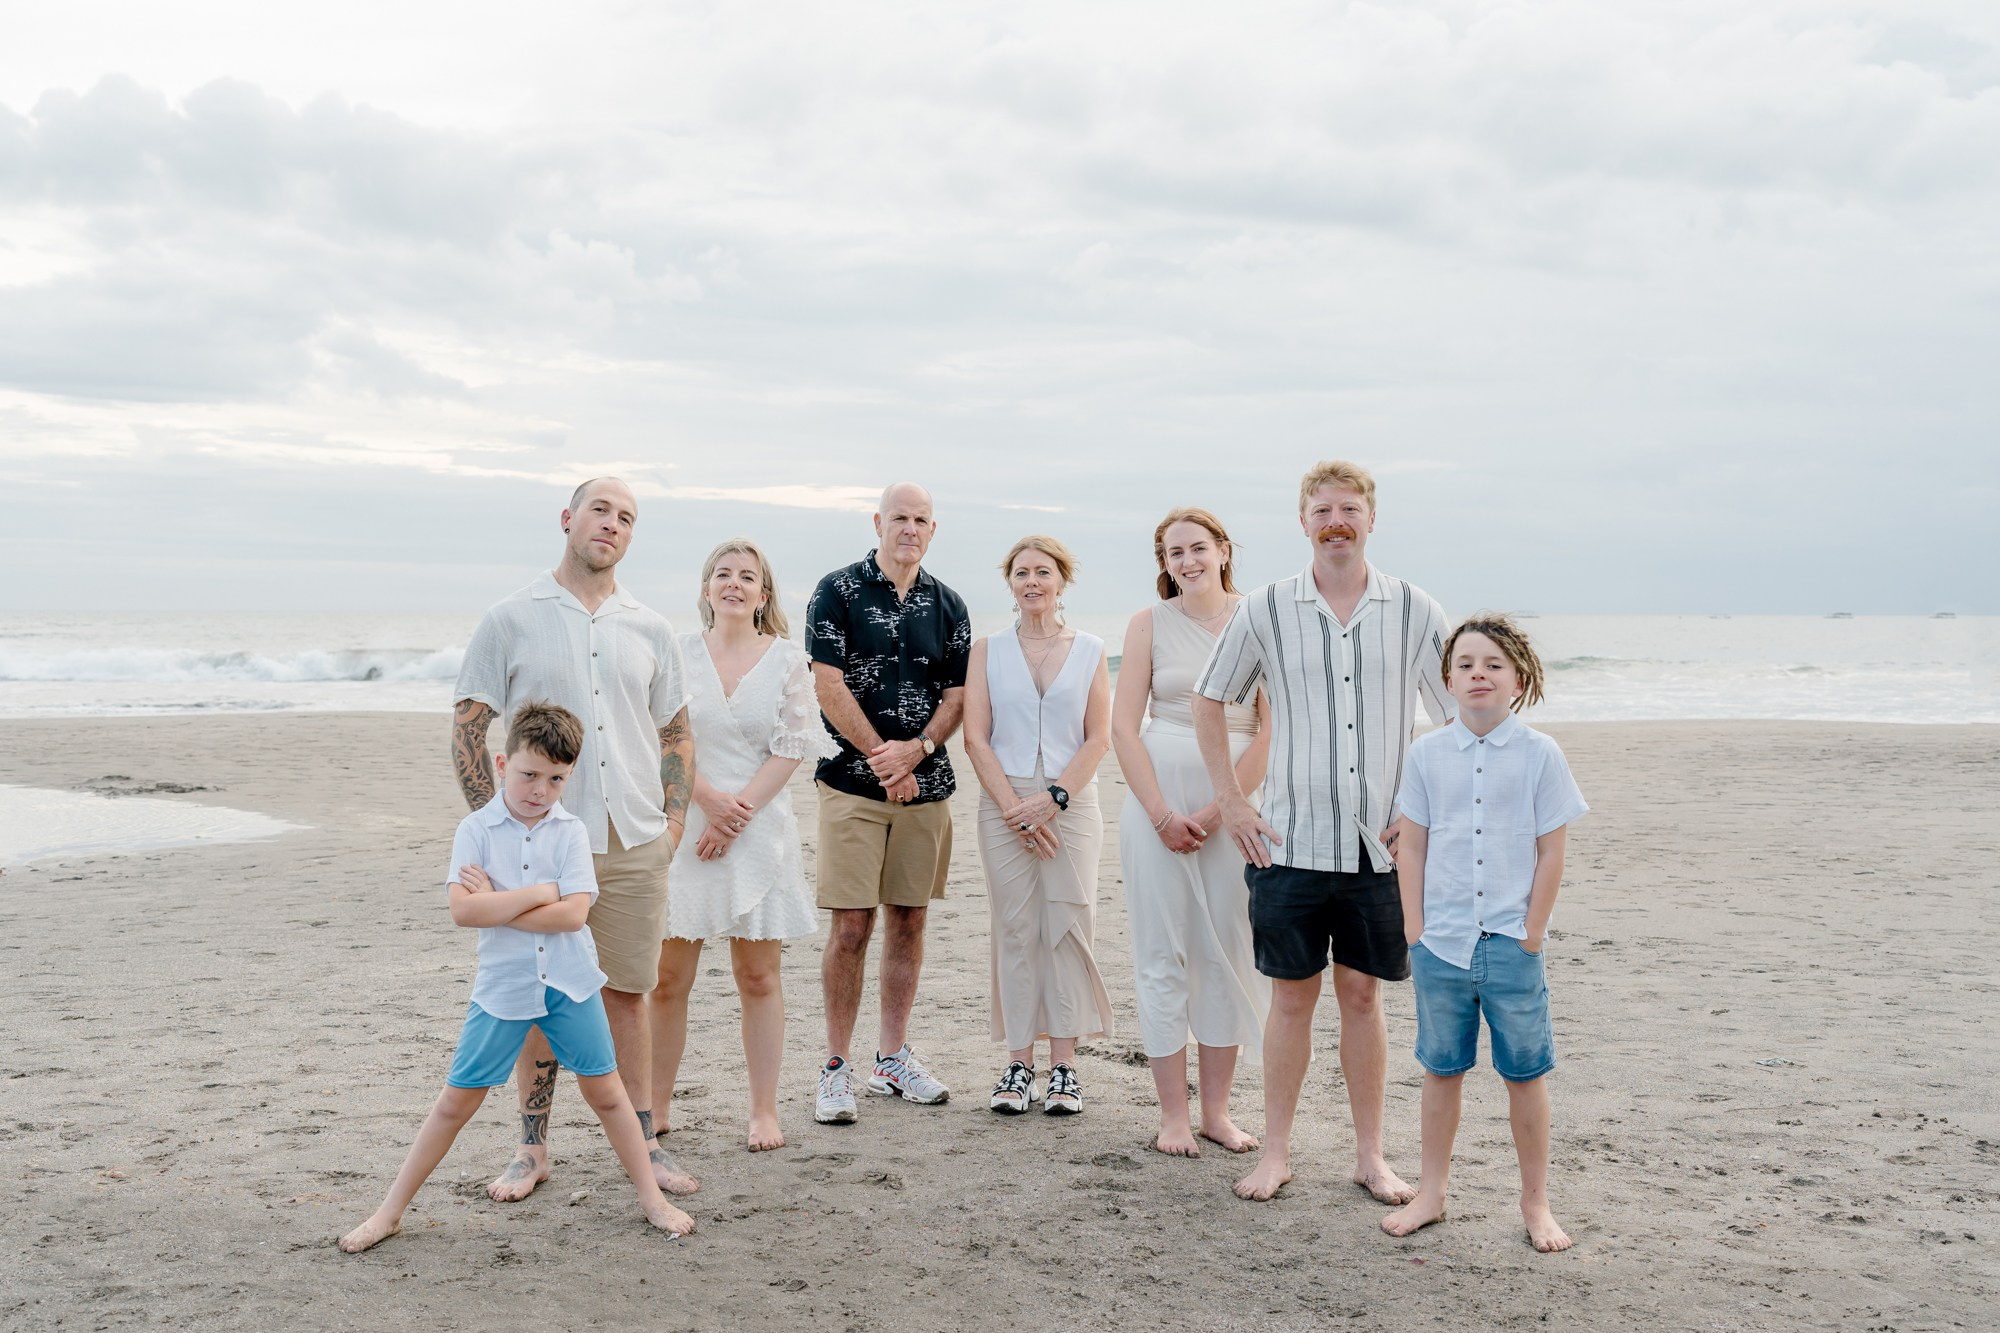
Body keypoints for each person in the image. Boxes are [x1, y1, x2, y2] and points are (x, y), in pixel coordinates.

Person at [339, 703, 695, 1252]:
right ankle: (389, 1212)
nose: (540, 789)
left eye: (555, 779)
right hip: (503, 990)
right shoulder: (475, 830)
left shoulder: (571, 832)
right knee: (456, 1101)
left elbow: (573, 917)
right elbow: (463, 912)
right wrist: (539, 893)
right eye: (529, 774)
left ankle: (651, 1198)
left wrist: (499, 901)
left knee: (607, 1094)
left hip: (571, 985)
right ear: (503, 763)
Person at [1194, 459, 1451, 1203]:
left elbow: (1452, 717)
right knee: (1291, 999)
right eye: (1322, 510)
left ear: (1371, 518)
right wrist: (1231, 802)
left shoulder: (1414, 608)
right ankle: (1276, 1152)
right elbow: (1211, 701)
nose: (1336, 520)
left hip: (1381, 849)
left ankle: (1371, 1156)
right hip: (1288, 843)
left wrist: (1419, 809)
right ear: (1302, 520)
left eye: (1349, 508)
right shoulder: (1267, 607)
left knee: (1364, 999)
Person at [451, 477, 700, 1202]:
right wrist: (496, 838)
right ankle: (531, 1148)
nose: (613, 524)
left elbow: (677, 731)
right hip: (540, 842)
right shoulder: (511, 618)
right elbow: (469, 727)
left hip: (633, 840)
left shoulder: (651, 627)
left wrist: (675, 821)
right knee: (535, 993)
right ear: (567, 518)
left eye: (627, 517)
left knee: (627, 989)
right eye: (601, 509)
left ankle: (646, 1143)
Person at [1381, 615, 1587, 1252]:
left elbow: (1551, 851)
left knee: (1525, 1074)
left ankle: (1536, 1203)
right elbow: (1410, 846)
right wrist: (1414, 927)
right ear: (1448, 679)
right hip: (1440, 942)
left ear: (1517, 678)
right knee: (1441, 1070)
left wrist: (1532, 932)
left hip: (1509, 943)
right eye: (1467, 664)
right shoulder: (1427, 754)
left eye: (1494, 664)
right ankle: (1432, 1192)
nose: (1479, 674)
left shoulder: (1540, 754)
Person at [650, 540, 840, 1153]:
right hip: (685, 826)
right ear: (706, 589)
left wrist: (737, 815)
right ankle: (656, 1105)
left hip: (759, 832)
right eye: (722, 574)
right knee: (667, 979)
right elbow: (659, 737)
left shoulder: (787, 658)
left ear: (764, 595)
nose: (734, 583)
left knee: (758, 975)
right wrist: (706, 801)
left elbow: (793, 745)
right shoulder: (676, 654)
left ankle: (762, 1110)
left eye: (747, 577)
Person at [805, 482, 971, 1123]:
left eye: (921, 519)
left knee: (909, 920)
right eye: (899, 517)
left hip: (926, 789)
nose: (910, 528)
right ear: (879, 522)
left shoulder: (949, 604)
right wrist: (885, 756)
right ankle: (837, 1068)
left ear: (934, 529)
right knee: (851, 927)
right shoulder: (837, 590)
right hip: (851, 784)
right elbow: (827, 684)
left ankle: (892, 1057)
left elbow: (956, 697)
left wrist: (918, 752)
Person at [1111, 508, 1272, 1154]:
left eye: (1197, 547)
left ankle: (1218, 1112)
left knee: (1225, 951)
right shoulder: (1147, 624)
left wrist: (1219, 808)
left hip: (1233, 810)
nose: (1187, 561)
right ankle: (1172, 1115)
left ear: (1224, 550)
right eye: (1173, 552)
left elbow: (1270, 730)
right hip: (1156, 802)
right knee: (1161, 954)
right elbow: (1124, 726)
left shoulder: (1258, 621)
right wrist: (1159, 812)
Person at [962, 536, 1115, 1115]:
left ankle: (1065, 1070)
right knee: (1017, 929)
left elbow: (1099, 737)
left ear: (1061, 581)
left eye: (1042, 572)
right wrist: (1013, 809)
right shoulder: (988, 651)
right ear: (1010, 583)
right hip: (1003, 803)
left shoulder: (1092, 649)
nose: (1032, 581)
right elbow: (976, 737)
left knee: (1068, 926)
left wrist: (1053, 798)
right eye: (1021, 572)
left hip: (1070, 803)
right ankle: (1018, 1066)